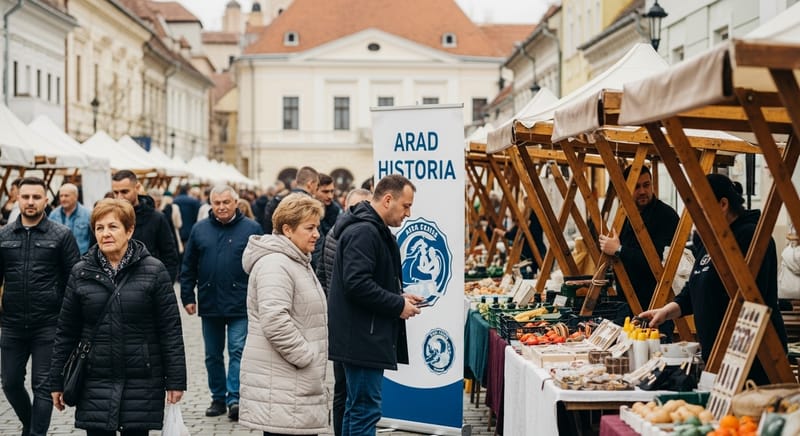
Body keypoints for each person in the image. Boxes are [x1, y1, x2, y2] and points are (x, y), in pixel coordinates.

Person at [49, 199, 186, 435]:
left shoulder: (154, 271)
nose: (105, 234)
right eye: (99, 228)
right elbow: (66, 331)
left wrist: (175, 380)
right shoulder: (81, 272)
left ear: (129, 230)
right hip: (95, 377)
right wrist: (56, 381)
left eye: (112, 227)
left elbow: (170, 330)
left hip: (142, 377)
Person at [639, 173, 788, 384]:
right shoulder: (711, 240)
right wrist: (667, 311)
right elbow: (695, 287)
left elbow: (747, 299)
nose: (696, 219)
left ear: (723, 204)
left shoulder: (751, 238)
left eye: (700, 210)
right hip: (718, 356)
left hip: (752, 357)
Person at [328, 174, 423, 435]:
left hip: (361, 335)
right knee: (365, 410)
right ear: (388, 199)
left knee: (357, 408)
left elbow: (365, 280)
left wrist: (399, 296)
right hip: (361, 337)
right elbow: (357, 284)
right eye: (406, 206)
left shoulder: (372, 229)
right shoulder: (364, 231)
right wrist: (397, 305)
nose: (408, 213)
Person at [239, 194, 329, 435]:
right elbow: (275, 320)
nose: (316, 234)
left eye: (317, 227)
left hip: (292, 385)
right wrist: (305, 355)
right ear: (287, 230)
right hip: (284, 383)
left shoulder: (296, 260)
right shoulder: (276, 264)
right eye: (309, 228)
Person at [0, 177, 80, 436]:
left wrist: (71, 322)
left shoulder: (61, 235)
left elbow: (73, 280)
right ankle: (29, 424)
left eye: (36, 197)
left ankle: (36, 434)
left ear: (47, 200)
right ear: (17, 199)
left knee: (43, 386)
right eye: (26, 197)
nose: (31, 202)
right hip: (12, 324)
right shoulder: (4, 235)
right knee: (10, 383)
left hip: (49, 324)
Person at [180, 185, 263, 420]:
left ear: (236, 202)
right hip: (210, 300)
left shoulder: (252, 229)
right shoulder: (200, 229)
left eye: (226, 202)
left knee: (237, 350)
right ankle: (217, 397)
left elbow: (261, 265)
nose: (222, 207)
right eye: (217, 203)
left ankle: (234, 398)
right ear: (211, 204)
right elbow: (188, 266)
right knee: (212, 354)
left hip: (240, 301)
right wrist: (187, 295)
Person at [315, 187, 371, 436]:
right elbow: (325, 278)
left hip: (340, 322)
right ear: (347, 207)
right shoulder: (346, 237)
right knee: (345, 390)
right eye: (356, 208)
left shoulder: (334, 233)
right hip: (346, 324)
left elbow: (321, 277)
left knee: (346, 389)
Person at [598, 165, 679, 338]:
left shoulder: (666, 216)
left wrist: (618, 250)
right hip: (626, 302)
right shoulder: (624, 216)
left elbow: (659, 262)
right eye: (637, 186)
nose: (643, 191)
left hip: (656, 304)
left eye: (646, 185)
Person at [111, 170, 180, 282]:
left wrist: (163, 287)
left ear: (137, 188)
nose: (120, 197)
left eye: (124, 192)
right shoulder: (107, 218)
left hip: (148, 286)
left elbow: (170, 256)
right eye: (116, 192)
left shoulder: (157, 218)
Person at [261, 166, 319, 234]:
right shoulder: (309, 204)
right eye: (317, 185)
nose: (317, 188)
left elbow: (268, 226)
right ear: (310, 183)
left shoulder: (278, 200)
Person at [493, 209, 546, 277]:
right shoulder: (534, 221)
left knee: (532, 275)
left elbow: (511, 235)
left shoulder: (528, 222)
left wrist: (499, 231)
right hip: (537, 253)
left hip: (534, 255)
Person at [50, 183, 92, 255]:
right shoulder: (53, 215)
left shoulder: (88, 215)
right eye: (61, 196)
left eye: (66, 196)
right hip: (58, 259)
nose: (63, 199)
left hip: (81, 259)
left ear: (76, 196)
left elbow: (93, 240)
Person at [311, 173, 342, 270]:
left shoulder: (335, 209)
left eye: (332, 191)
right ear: (314, 190)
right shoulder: (307, 210)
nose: (330, 196)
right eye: (325, 192)